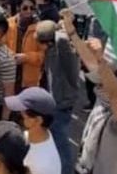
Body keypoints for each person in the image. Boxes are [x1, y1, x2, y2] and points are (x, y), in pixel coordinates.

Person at [60, 9, 117, 174]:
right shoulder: (104, 101)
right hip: (84, 166)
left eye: (103, 84)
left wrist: (101, 59)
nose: (98, 87)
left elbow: (113, 92)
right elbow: (90, 64)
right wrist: (72, 32)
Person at [34, 20, 79, 174]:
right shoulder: (54, 49)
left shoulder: (61, 50)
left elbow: (72, 76)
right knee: (56, 139)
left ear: (48, 42)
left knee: (61, 142)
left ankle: (66, 170)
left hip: (61, 103)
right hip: (56, 102)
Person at [5, 87, 61, 174]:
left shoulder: (43, 166)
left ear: (38, 120)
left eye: (22, 115)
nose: (19, 115)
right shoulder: (33, 136)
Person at [4, 0, 44, 91]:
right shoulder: (8, 24)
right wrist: (10, 56)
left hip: (29, 80)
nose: (29, 11)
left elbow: (43, 55)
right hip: (9, 76)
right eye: (25, 8)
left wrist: (26, 57)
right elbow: (2, 46)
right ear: (18, 8)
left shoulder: (39, 28)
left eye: (32, 8)